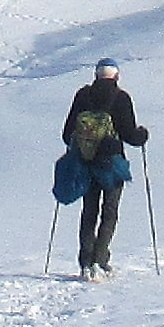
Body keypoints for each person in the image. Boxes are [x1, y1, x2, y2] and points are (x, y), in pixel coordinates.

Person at [62, 57, 148, 279]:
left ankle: (85, 262)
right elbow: (130, 135)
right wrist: (142, 135)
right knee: (109, 212)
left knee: (89, 211)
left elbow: (66, 134)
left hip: (85, 163)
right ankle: (101, 259)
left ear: (96, 74)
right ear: (116, 76)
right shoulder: (121, 98)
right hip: (112, 164)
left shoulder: (82, 96)